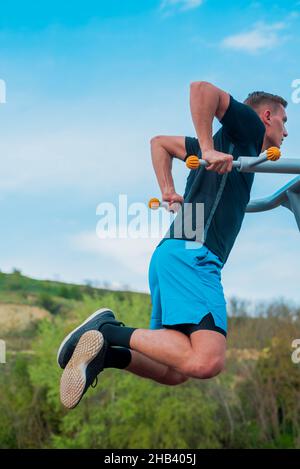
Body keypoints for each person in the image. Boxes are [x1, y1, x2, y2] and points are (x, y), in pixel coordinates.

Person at [57, 82, 288, 409]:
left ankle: (103, 353)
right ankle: (106, 331)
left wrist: (168, 188)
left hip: (172, 254)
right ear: (267, 116)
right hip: (195, 257)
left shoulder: (233, 148)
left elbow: (159, 144)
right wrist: (207, 149)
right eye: (285, 121)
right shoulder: (247, 129)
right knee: (207, 361)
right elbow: (202, 89)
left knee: (173, 370)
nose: (287, 131)